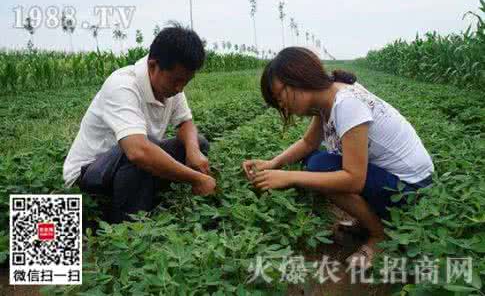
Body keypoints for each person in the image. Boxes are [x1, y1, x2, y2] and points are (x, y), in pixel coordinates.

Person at [242, 47, 434, 269]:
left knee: (319, 167)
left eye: (279, 96)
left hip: (412, 189)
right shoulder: (328, 101)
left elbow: (354, 179)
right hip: (395, 181)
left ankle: (380, 236)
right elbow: (308, 143)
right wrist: (273, 163)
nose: (282, 106)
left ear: (296, 79)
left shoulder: (347, 104)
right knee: (315, 160)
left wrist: (289, 177)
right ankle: (369, 218)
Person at [63, 23, 216, 224]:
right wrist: (197, 179)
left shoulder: (171, 86)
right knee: (144, 149)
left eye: (185, 82)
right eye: (176, 81)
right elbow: (138, 151)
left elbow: (185, 122)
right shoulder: (122, 85)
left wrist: (194, 152)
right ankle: (126, 225)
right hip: (89, 177)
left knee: (196, 143)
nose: (180, 89)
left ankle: (144, 197)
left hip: (127, 168)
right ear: (153, 66)